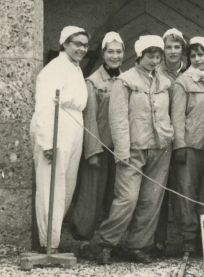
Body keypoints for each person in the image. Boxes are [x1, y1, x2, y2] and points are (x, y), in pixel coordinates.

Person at [96, 35, 174, 265]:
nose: (155, 60)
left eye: (158, 56)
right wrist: (121, 150)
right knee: (127, 199)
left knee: (151, 201)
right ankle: (105, 243)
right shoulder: (125, 81)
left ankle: (138, 246)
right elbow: (118, 118)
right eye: (150, 55)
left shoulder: (165, 82)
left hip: (160, 150)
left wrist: (168, 136)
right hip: (133, 150)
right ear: (140, 56)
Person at [31, 26, 89, 254]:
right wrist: (47, 142)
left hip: (74, 126)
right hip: (56, 128)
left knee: (67, 186)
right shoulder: (53, 69)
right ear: (64, 44)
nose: (82, 49)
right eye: (77, 44)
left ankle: (54, 239)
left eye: (85, 45)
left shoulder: (75, 69)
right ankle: (48, 243)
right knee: (51, 186)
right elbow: (44, 106)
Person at [69, 32, 125, 260]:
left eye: (119, 51)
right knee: (91, 197)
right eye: (110, 51)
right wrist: (92, 151)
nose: (115, 56)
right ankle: (84, 241)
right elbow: (90, 119)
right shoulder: (92, 82)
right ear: (103, 54)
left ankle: (109, 242)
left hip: (119, 150)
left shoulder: (126, 79)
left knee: (115, 196)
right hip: (100, 150)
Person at [170, 37, 204, 255]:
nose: (197, 59)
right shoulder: (183, 81)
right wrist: (179, 144)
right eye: (193, 55)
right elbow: (177, 116)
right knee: (186, 193)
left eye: (201, 54)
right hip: (190, 145)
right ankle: (189, 238)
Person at [153, 28, 187, 256]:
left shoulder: (194, 71)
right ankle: (158, 240)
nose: (172, 51)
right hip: (160, 141)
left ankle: (187, 240)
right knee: (157, 192)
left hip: (187, 142)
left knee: (184, 191)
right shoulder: (153, 72)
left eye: (177, 47)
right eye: (168, 47)